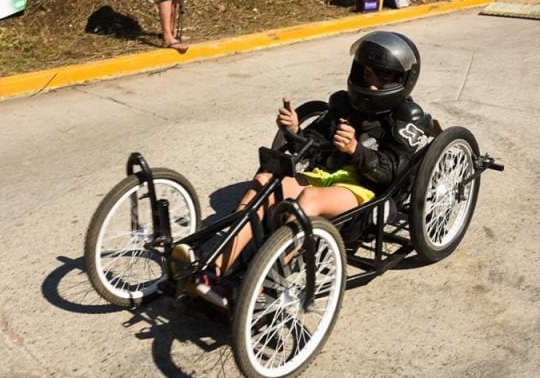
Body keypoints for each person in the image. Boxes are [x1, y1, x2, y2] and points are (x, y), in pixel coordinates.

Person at [175, 31, 441, 308]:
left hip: (366, 194)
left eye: (384, 78)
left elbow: (395, 172)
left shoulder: (408, 117)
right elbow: (313, 145)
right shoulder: (344, 104)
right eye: (369, 75)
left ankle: (257, 287)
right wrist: (294, 131)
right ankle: (212, 271)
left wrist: (355, 150)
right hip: (323, 177)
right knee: (267, 181)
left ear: (402, 80)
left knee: (308, 199)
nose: (373, 86)